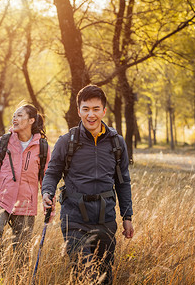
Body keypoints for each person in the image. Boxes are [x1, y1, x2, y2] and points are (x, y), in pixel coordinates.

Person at [41, 85, 134, 284]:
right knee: (83, 271)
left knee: (103, 274)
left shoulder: (116, 143)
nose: (90, 114)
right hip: (74, 217)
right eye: (86, 109)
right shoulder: (67, 141)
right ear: (78, 111)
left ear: (103, 111)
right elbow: (52, 172)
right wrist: (47, 192)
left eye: (95, 109)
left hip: (105, 217)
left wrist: (127, 216)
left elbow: (123, 182)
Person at [0, 104, 51, 250]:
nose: (15, 119)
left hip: (26, 203)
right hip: (1, 198)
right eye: (14, 116)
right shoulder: (4, 141)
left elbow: (47, 177)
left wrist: (49, 201)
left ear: (31, 120)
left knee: (21, 249)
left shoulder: (42, 146)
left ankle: (15, 272)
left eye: (19, 115)